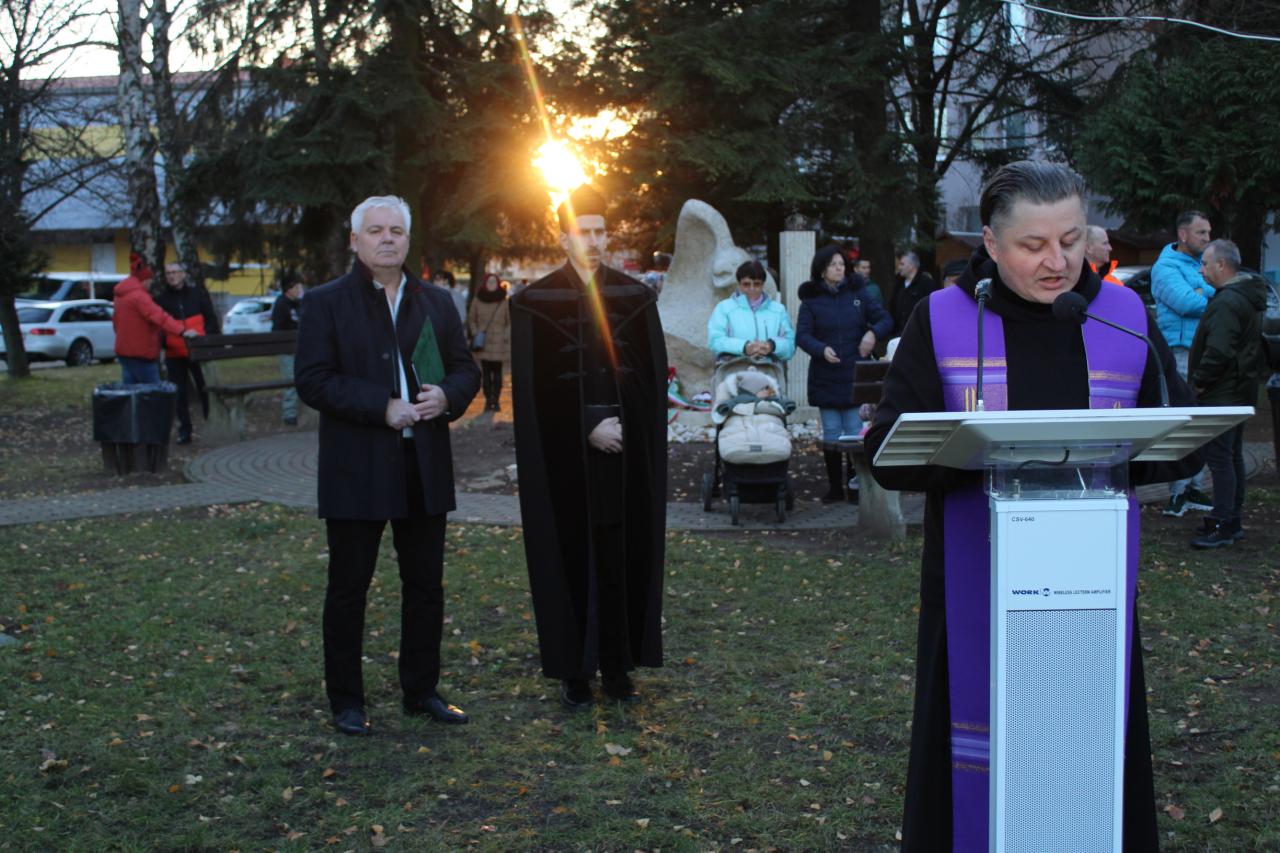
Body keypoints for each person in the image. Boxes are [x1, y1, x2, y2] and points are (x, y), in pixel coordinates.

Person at [867, 160, 1203, 853]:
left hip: (1089, 582)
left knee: (1089, 744)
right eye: (1034, 245)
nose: (1059, 262)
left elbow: (1169, 432)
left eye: (1072, 239)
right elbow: (886, 449)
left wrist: (1161, 448)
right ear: (990, 244)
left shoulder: (1124, 316)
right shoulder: (943, 319)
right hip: (976, 580)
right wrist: (968, 449)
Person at [294, 195, 481, 736]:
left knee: (425, 586)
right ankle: (347, 701)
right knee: (348, 588)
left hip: (424, 465)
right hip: (358, 467)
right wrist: (381, 406)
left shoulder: (436, 302)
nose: (387, 239)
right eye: (375, 230)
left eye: (396, 230)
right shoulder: (327, 302)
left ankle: (421, 690)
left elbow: (465, 370)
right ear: (355, 241)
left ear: (408, 239)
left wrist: (447, 396)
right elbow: (312, 380)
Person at [510, 184, 668, 710]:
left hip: (624, 455)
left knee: (621, 554)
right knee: (570, 555)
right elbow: (531, 393)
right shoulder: (534, 304)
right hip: (565, 459)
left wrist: (625, 424)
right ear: (563, 238)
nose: (594, 241)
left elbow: (651, 381)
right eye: (584, 232)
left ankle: (618, 666)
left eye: (601, 231)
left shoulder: (634, 298)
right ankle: (574, 671)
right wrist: (585, 427)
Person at [1188, 239, 1269, 548]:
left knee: (1221, 458)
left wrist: (1199, 382)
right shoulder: (1243, 296)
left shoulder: (1228, 302)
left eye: (1205, 264)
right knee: (1232, 455)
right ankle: (1231, 519)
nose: (1201, 270)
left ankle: (1223, 522)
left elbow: (1219, 350)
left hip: (1222, 394)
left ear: (1221, 265)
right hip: (1238, 389)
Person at [796, 244, 892, 502]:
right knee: (831, 432)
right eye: (833, 265)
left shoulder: (858, 294)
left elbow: (885, 319)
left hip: (854, 374)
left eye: (841, 264)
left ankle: (855, 486)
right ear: (822, 270)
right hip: (825, 375)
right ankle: (834, 488)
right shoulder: (811, 300)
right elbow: (802, 336)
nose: (839, 269)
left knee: (853, 431)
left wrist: (872, 334)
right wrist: (820, 349)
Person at [1152, 209, 1216, 516]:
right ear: (1183, 234)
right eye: (1201, 232)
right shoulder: (1165, 267)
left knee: (1201, 421)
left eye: (1208, 232)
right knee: (1183, 420)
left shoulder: (1200, 264)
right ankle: (1177, 492)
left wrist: (1206, 291)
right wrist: (1209, 292)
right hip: (1179, 353)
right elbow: (1187, 303)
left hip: (1202, 351)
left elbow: (1221, 289)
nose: (1207, 238)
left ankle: (1194, 487)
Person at [156, 262, 221, 443]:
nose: (171, 276)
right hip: (174, 353)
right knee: (179, 394)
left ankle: (211, 423)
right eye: (168, 273)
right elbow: (159, 327)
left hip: (198, 351)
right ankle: (185, 431)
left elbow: (211, 319)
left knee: (205, 389)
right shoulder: (162, 299)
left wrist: (203, 339)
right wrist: (165, 343)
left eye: (174, 272)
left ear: (183, 274)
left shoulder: (197, 294)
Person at [113, 253, 197, 385]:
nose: (151, 284)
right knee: (153, 392)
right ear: (145, 280)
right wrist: (182, 331)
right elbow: (160, 317)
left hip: (124, 352)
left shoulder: (121, 296)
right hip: (141, 353)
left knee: (131, 391)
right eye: (150, 280)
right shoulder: (139, 296)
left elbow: (115, 323)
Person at [706, 259, 795, 362]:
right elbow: (715, 342)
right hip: (734, 368)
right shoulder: (724, 308)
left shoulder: (778, 310)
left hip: (769, 369)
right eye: (746, 284)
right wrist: (744, 347)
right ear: (739, 284)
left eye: (756, 284)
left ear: (763, 284)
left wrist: (772, 346)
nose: (752, 288)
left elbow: (790, 346)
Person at [466, 273, 511, 412]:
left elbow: (509, 321)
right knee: (485, 374)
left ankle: (496, 400)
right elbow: (471, 319)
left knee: (497, 374)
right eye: (489, 282)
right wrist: (475, 332)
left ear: (498, 284)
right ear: (485, 284)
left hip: (499, 342)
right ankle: (487, 400)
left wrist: (505, 335)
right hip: (483, 342)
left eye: (494, 282)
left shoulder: (504, 301)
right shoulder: (477, 300)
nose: (492, 284)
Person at [271, 271, 305, 426]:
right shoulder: (281, 304)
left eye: (299, 287)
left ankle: (304, 409)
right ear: (288, 289)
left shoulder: (299, 304)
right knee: (290, 379)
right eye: (296, 287)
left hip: (299, 348)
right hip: (286, 349)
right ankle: (289, 413)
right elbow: (278, 328)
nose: (299, 290)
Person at [890, 250, 937, 336]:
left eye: (902, 264)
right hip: (899, 334)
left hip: (919, 334)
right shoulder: (898, 283)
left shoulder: (926, 283)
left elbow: (932, 308)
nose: (899, 267)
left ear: (911, 265)